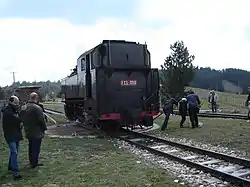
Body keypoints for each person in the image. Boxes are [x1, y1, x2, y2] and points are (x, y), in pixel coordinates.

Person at [22, 92, 47, 168]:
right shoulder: (37, 108)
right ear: (36, 98)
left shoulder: (25, 107)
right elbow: (41, 120)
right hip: (36, 131)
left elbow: (22, 118)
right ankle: (34, 163)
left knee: (31, 147)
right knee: (36, 148)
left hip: (28, 130)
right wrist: (44, 129)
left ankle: (31, 161)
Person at [2, 96, 23, 180]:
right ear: (11, 102)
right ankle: (16, 172)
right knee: (14, 152)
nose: (17, 104)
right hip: (10, 135)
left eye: (18, 103)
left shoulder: (13, 110)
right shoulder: (8, 111)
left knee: (14, 151)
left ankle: (10, 166)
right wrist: (23, 112)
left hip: (15, 134)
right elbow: (17, 120)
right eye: (16, 103)